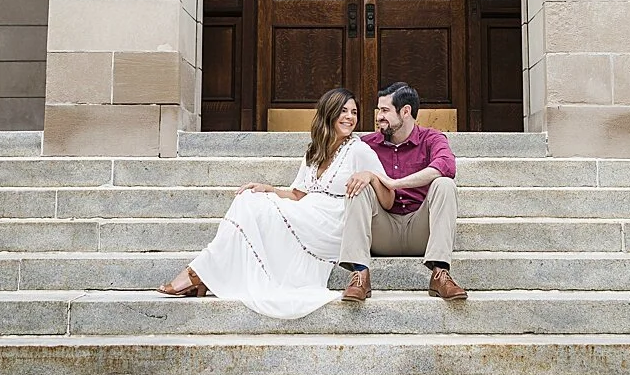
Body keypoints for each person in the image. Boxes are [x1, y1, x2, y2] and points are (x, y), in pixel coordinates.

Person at [155, 87, 396, 319]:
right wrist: (269, 189)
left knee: (254, 208)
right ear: (329, 112)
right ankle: (202, 273)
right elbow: (298, 195)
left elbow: (389, 200)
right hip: (307, 212)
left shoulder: (359, 151)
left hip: (333, 224)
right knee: (249, 198)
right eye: (344, 111)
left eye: (354, 112)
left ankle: (198, 274)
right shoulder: (315, 150)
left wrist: (372, 177)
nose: (350, 117)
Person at [336, 82, 468, 303]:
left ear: (405, 111)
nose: (379, 117)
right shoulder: (366, 144)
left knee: (444, 184)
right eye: (379, 110)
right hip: (381, 231)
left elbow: (447, 166)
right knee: (359, 183)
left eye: (385, 110)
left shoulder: (431, 138)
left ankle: (440, 273)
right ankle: (359, 274)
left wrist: (395, 183)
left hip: (421, 231)